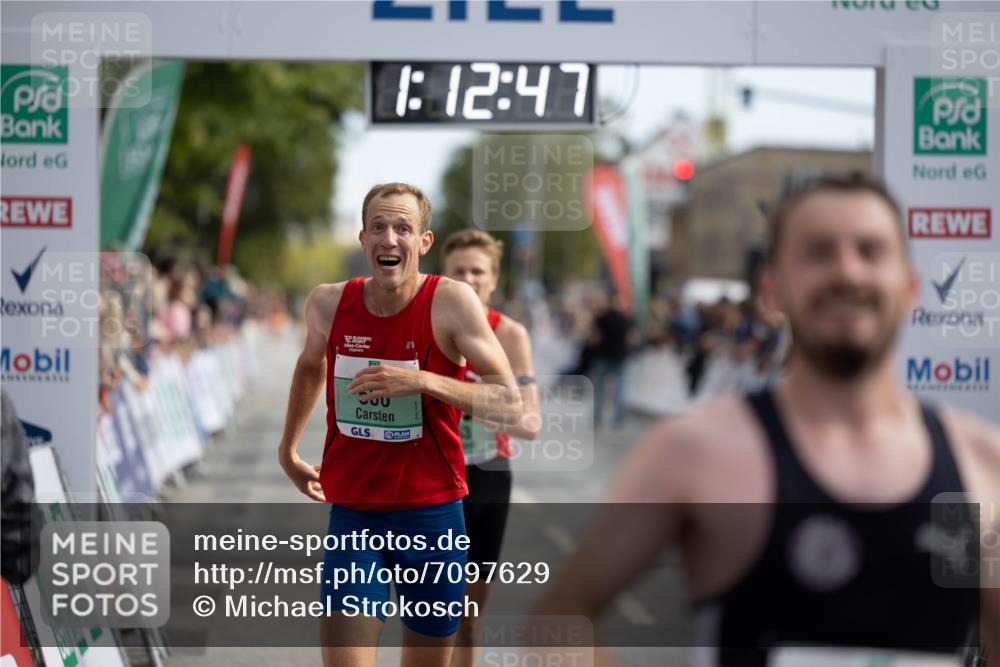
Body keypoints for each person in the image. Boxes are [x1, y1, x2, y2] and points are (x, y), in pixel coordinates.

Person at [535, 174, 999, 664]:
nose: (847, 272)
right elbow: (559, 619)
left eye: (871, 251)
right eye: (819, 252)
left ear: (910, 287)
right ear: (772, 289)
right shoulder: (696, 452)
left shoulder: (981, 462)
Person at [277, 182, 524, 667]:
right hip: (355, 514)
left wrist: (423, 381)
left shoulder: (451, 302)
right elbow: (309, 365)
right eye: (378, 227)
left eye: (403, 228)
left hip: (432, 516)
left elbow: (510, 402)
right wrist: (288, 450)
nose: (389, 238)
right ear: (363, 238)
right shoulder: (328, 302)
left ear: (424, 241)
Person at [440, 229, 542, 667]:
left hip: (486, 476)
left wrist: (467, 401)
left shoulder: (511, 334)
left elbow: (530, 424)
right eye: (458, 271)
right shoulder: (428, 323)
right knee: (429, 612)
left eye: (477, 271)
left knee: (467, 616)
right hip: (432, 475)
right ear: (443, 275)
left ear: (494, 279)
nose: (468, 279)